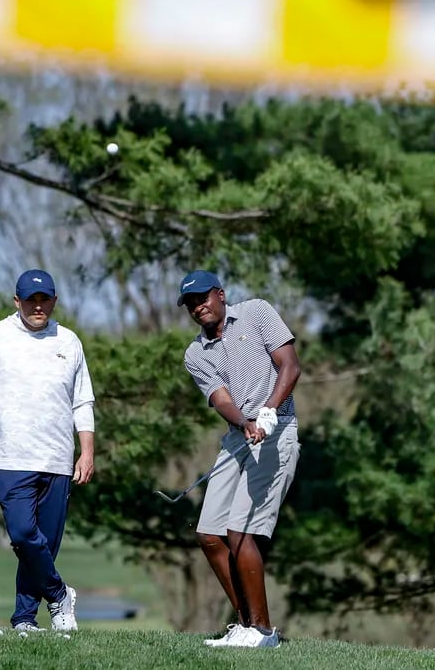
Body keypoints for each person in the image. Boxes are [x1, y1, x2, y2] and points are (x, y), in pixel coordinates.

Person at [0, 269, 95, 633]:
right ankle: (60, 595)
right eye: (30, 300)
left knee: (43, 544)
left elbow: (83, 402)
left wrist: (87, 451)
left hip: (58, 460)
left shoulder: (69, 341)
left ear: (54, 301)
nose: (38, 306)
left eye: (44, 299)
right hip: (11, 460)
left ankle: (24, 620)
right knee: (22, 536)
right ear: (17, 302)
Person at [176, 269, 301, 649]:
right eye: (191, 304)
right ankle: (246, 624)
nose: (198, 307)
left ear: (220, 294)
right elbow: (221, 398)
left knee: (240, 531)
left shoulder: (256, 312)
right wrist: (244, 422)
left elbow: (290, 366)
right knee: (210, 534)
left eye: (203, 298)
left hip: (277, 432)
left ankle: (264, 632)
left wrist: (267, 411)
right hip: (237, 438)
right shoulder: (195, 353)